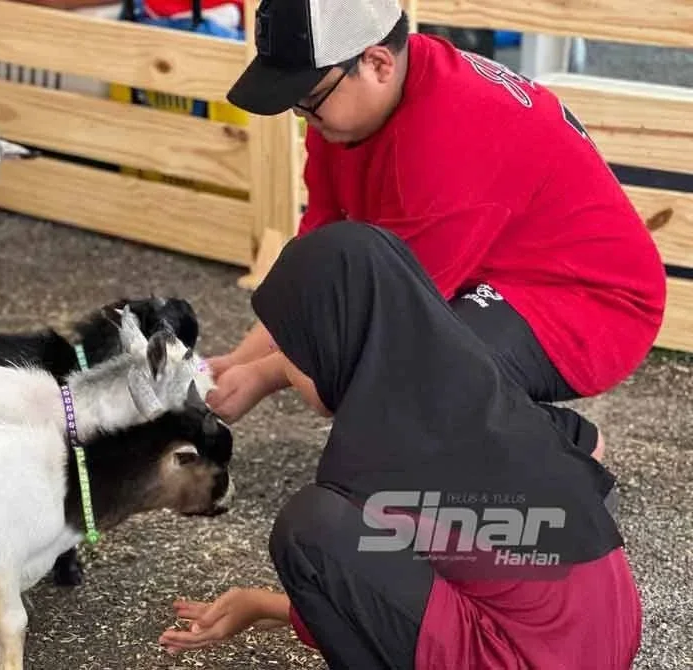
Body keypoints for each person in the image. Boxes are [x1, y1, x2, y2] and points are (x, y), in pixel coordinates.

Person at [204, 0, 667, 467]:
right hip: (493, 272)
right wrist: (238, 359)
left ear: (377, 62)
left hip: (590, 302)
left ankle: (563, 443)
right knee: (376, 386)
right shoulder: (343, 113)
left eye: (308, 96)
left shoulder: (447, 140)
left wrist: (265, 375)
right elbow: (316, 261)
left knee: (390, 389)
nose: (302, 114)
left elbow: (377, 335)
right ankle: (491, 418)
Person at [159, 222, 642, 668]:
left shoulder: (375, 460)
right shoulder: (478, 395)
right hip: (605, 642)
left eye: (299, 350)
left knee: (310, 530)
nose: (291, 367)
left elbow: (366, 595)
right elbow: (418, 586)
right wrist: (263, 605)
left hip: (527, 658)